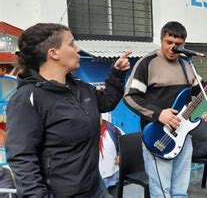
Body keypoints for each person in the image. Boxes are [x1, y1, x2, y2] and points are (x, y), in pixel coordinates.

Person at [6, 23, 130, 197]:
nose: (78, 49)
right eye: (71, 44)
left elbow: (106, 102)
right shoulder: (28, 99)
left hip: (95, 187)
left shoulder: (80, 88)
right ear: (53, 53)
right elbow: (22, 158)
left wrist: (117, 74)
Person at [123, 21, 207, 197]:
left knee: (180, 192)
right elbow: (130, 97)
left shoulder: (186, 64)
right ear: (161, 40)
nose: (173, 48)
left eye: (178, 45)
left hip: (183, 134)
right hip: (158, 135)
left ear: (184, 44)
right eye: (169, 43)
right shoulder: (147, 63)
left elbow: (200, 90)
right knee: (162, 193)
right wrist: (159, 115)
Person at [98, 118, 124, 197]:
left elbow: (125, 144)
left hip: (113, 175)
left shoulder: (112, 129)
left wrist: (121, 155)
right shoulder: (82, 133)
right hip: (95, 180)